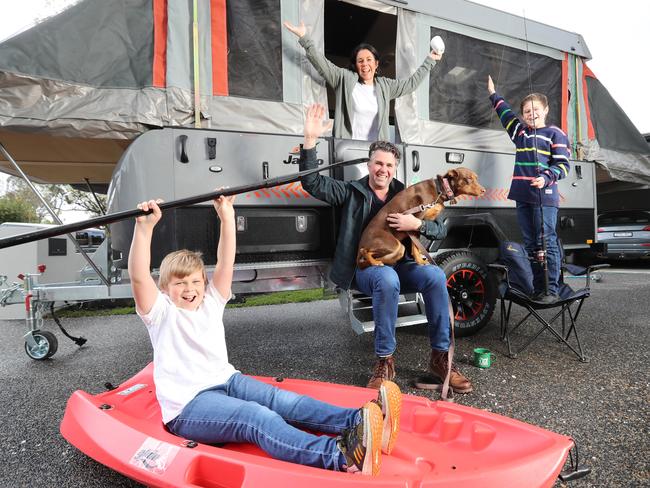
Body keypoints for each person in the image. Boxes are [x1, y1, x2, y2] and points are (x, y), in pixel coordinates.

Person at [127, 195, 402, 476]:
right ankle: (341, 456)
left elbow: (226, 261)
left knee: (283, 400)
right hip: (189, 406)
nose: (189, 288)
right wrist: (145, 228)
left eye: (195, 281)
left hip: (226, 380)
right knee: (256, 417)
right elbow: (138, 277)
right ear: (164, 288)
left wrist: (226, 216)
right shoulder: (160, 312)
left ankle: (359, 420)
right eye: (179, 283)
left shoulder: (211, 301)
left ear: (204, 283)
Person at [299, 104, 473, 393]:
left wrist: (414, 224)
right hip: (367, 268)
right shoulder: (351, 192)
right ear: (369, 165)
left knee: (435, 277)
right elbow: (312, 182)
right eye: (378, 163)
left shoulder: (407, 193)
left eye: (389, 165)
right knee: (387, 279)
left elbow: (440, 229)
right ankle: (384, 361)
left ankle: (441, 358)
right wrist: (309, 141)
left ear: (395, 169)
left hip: (401, 264)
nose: (383, 169)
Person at [283, 21, 442, 141]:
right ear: (355, 65)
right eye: (360, 61)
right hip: (347, 149)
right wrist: (304, 37)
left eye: (368, 60)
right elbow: (322, 63)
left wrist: (430, 60)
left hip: (376, 153)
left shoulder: (385, 86)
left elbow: (411, 84)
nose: (365, 64)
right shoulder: (343, 78)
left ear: (376, 63)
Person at [487, 75, 571, 303]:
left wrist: (546, 178)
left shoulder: (555, 133)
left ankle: (551, 289)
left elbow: (563, 165)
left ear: (545, 110)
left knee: (547, 241)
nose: (530, 114)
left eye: (535, 110)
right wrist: (494, 94)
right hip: (522, 197)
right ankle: (537, 288)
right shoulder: (521, 133)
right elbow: (506, 115)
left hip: (545, 198)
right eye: (526, 111)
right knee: (532, 244)